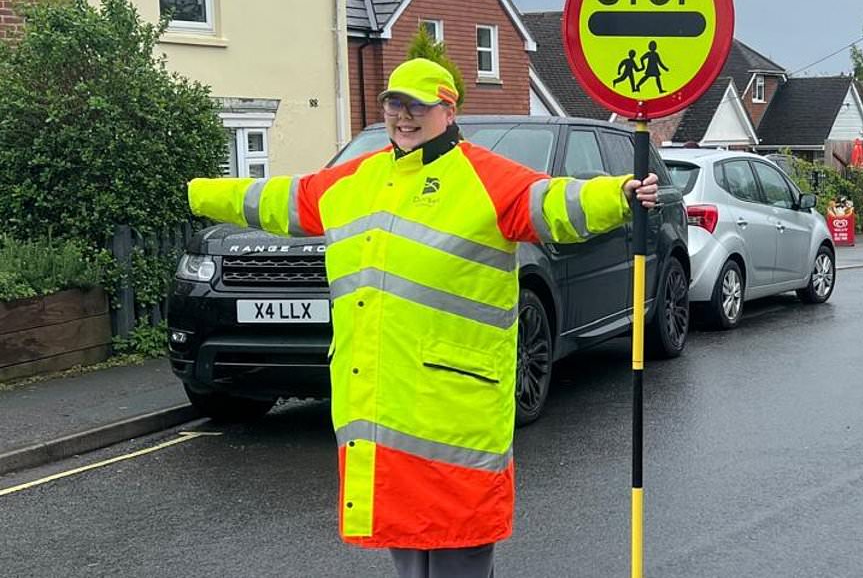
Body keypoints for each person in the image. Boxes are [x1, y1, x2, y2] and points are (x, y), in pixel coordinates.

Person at [186, 58, 660, 578]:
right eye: (395, 104)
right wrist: (196, 191)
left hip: (454, 411)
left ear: (448, 110)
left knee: (462, 546)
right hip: (383, 409)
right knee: (406, 546)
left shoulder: (485, 177)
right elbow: (277, 199)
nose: (404, 116)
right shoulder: (356, 180)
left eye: (418, 105)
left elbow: (553, 202)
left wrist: (617, 194)